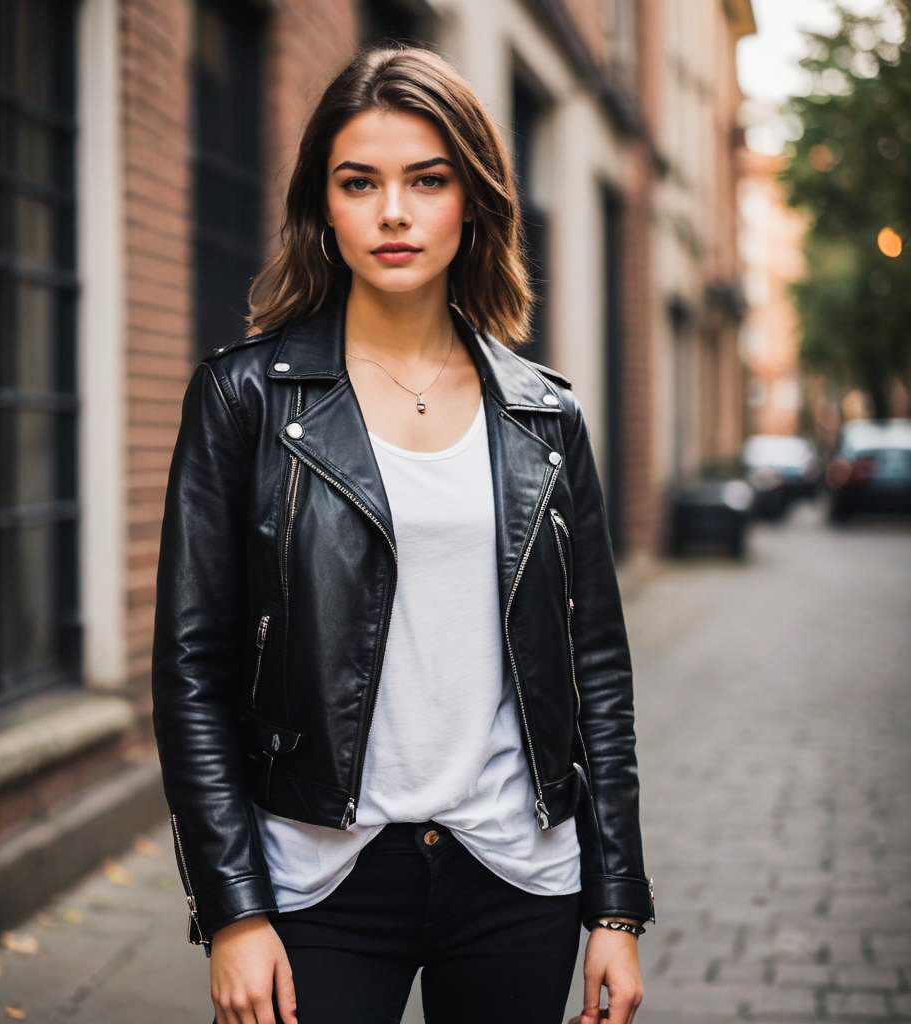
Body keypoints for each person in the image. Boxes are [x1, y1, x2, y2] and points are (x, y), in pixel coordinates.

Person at [152, 44, 655, 1024]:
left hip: (517, 872)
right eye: (359, 181)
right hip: (316, 879)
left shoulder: (544, 416)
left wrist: (616, 905)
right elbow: (192, 671)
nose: (392, 211)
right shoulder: (244, 400)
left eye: (426, 180)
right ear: (322, 206)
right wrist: (232, 910)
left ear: (471, 201)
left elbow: (597, 673)